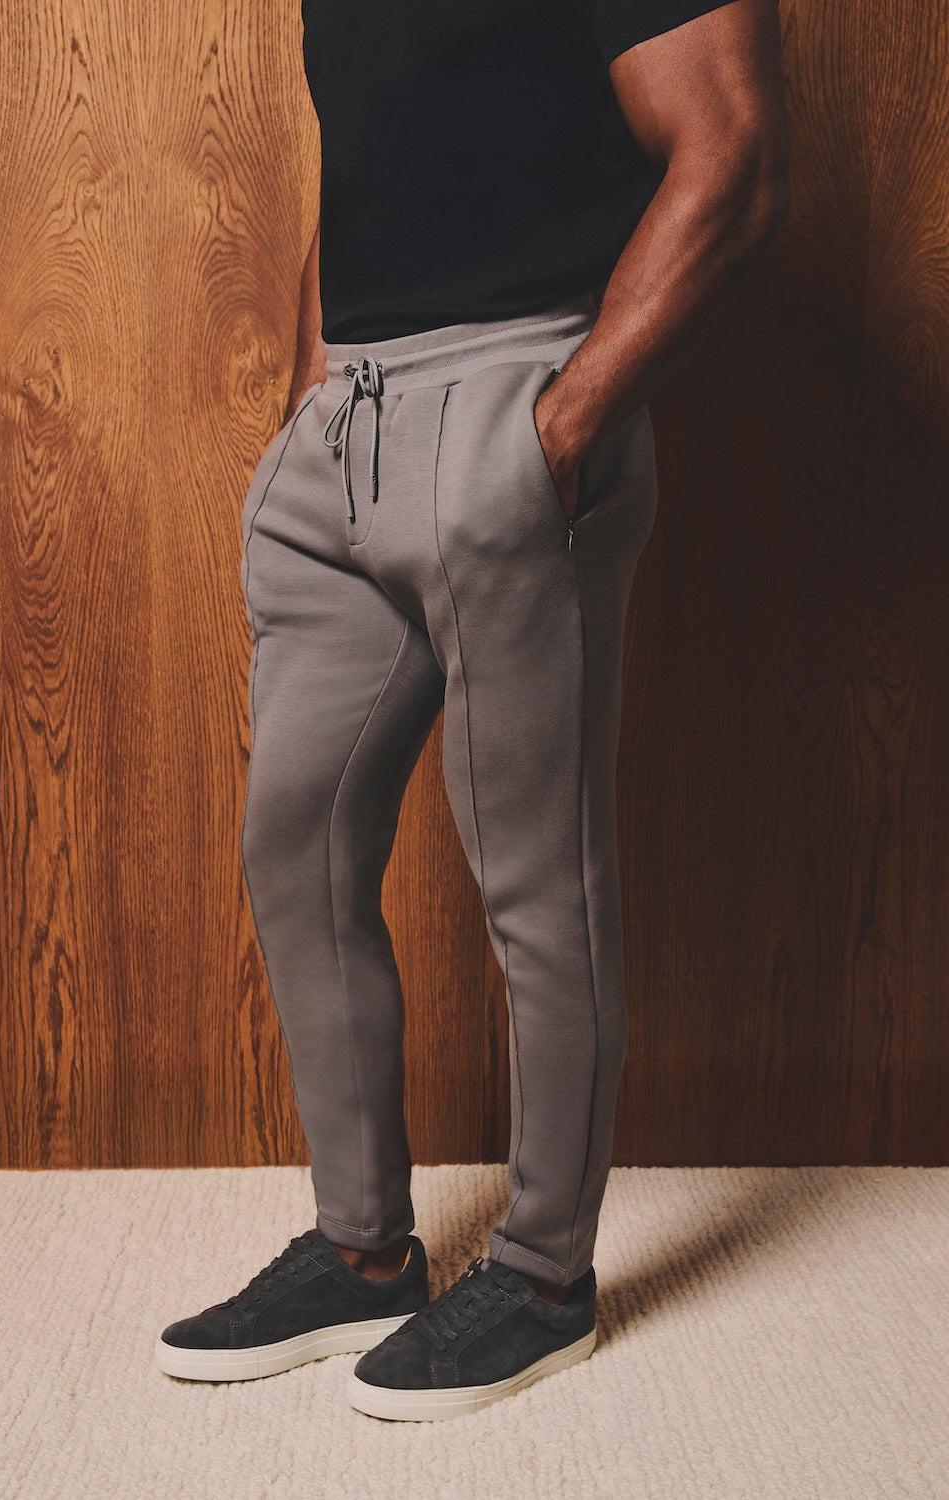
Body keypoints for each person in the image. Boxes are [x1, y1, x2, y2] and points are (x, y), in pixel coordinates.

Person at [156, 0, 789, 1420]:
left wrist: (560, 429)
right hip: (348, 430)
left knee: (536, 879)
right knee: (294, 843)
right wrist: (309, 403)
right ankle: (362, 1252)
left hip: (515, 408)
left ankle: (545, 1278)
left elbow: (736, 152)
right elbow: (376, 170)